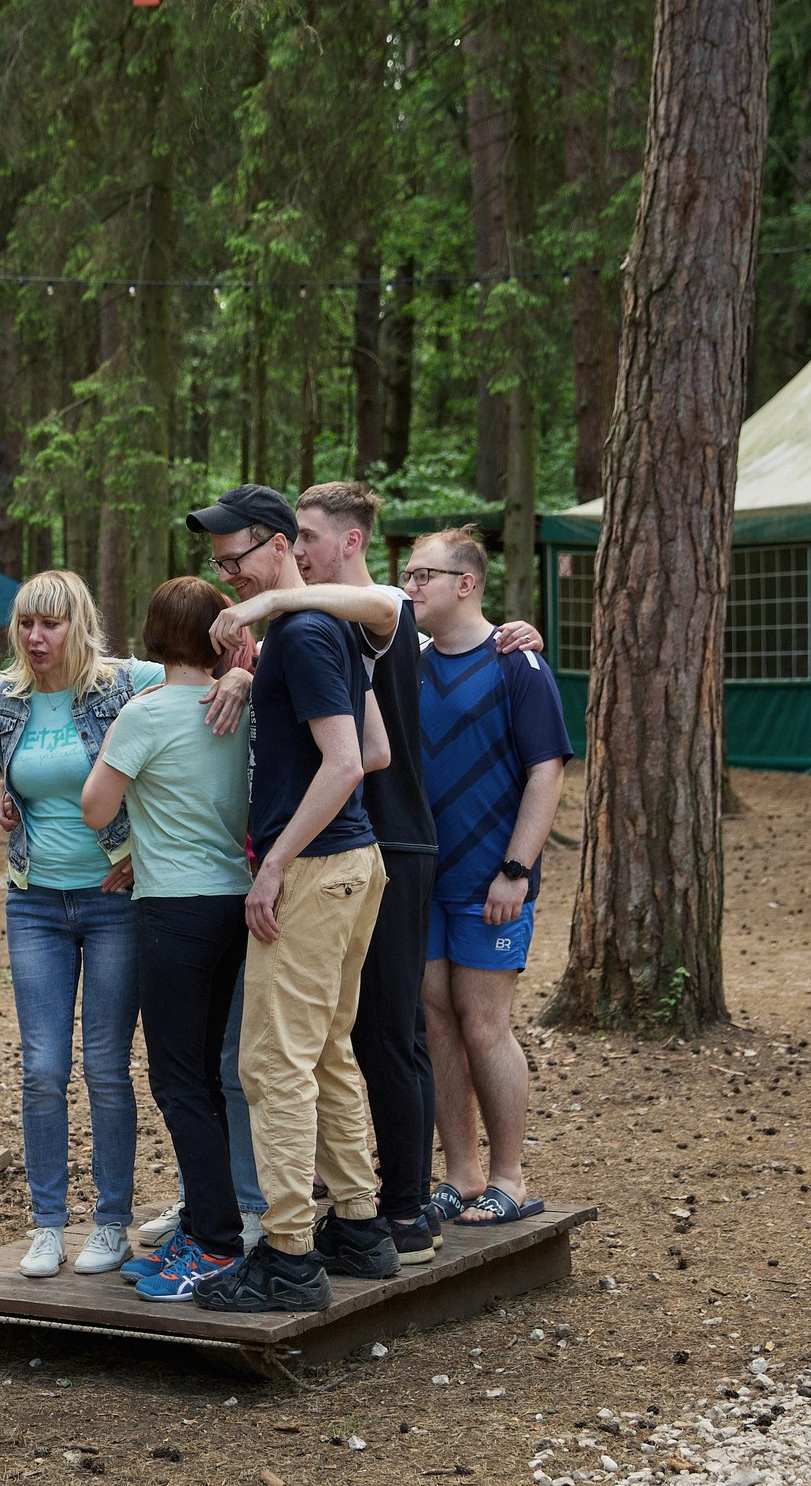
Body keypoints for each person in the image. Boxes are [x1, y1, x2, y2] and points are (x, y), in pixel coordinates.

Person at [208, 485, 549, 1264]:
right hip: (360, 841)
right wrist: (242, 670)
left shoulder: (377, 609)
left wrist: (264, 613)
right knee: (366, 1032)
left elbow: (364, 739)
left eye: (309, 536)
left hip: (378, 843)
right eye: (290, 536)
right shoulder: (347, 630)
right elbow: (370, 725)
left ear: (348, 542)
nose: (298, 548)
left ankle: (401, 1210)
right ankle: (380, 1202)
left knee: (389, 1033)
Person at [0, 569, 245, 1280]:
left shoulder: (125, 683)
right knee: (40, 1067)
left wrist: (242, 679)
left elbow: (212, 651)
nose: (36, 637)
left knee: (107, 1067)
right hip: (34, 900)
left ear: (79, 625)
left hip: (118, 899)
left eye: (51, 623)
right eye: (27, 623)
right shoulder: (7, 696)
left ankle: (112, 1222)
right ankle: (47, 1224)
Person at [181, 488, 392, 1313]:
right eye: (216, 561)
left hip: (314, 873)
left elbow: (346, 763)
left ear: (278, 548)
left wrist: (274, 863)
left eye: (236, 559)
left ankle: (290, 1255)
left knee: (270, 1066)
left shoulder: (303, 630)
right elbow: (373, 748)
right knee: (329, 1052)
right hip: (354, 866)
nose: (225, 574)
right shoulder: (319, 629)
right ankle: (363, 1227)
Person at [77, 577, 259, 1299]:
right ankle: (213, 1219)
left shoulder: (143, 713)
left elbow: (96, 809)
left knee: (177, 1079)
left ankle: (214, 1240)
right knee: (211, 1073)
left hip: (173, 910)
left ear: (152, 636)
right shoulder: (237, 704)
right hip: (235, 903)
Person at [404, 527, 572, 1226]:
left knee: (484, 1023)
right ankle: (462, 1173)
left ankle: (508, 1175)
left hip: (490, 881)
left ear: (465, 583)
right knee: (437, 1019)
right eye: (406, 576)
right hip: (421, 879)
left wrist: (515, 868)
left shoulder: (516, 664)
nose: (408, 587)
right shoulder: (405, 661)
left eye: (422, 576)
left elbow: (547, 771)